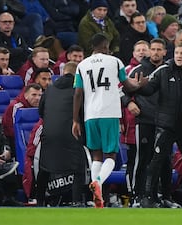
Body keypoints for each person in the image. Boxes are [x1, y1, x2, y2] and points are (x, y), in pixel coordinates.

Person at [72, 33, 141, 208]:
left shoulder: (82, 65)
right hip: (109, 112)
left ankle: (97, 191)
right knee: (110, 154)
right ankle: (99, 182)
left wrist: (75, 120)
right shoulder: (115, 61)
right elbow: (128, 86)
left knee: (96, 155)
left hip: (90, 115)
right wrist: (140, 84)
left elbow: (78, 93)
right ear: (105, 46)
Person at [136, 42, 182, 208]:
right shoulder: (164, 71)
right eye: (177, 53)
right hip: (167, 126)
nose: (179, 56)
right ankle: (147, 197)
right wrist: (140, 86)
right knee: (156, 161)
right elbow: (150, 89)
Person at [123, 38, 169, 207]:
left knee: (161, 160)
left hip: (164, 122)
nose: (155, 52)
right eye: (153, 49)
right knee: (141, 159)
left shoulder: (169, 70)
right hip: (144, 120)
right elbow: (122, 90)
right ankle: (136, 195)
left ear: (164, 52)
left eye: (159, 49)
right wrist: (129, 102)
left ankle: (156, 196)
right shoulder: (139, 69)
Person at [37, 61, 86, 206]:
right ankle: (77, 201)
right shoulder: (79, 90)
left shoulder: (49, 90)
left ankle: (39, 201)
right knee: (78, 167)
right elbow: (82, 113)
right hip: (71, 134)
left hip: (49, 135)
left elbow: (41, 112)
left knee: (44, 168)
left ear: (63, 72)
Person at [0, 110, 22, 206]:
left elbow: (4, 140)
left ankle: (9, 198)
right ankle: (2, 198)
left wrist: (6, 151)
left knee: (8, 173)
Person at [2, 83, 43, 153]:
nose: (37, 98)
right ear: (25, 95)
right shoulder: (16, 106)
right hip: (13, 139)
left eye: (40, 95)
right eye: (34, 95)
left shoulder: (41, 107)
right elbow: (12, 130)